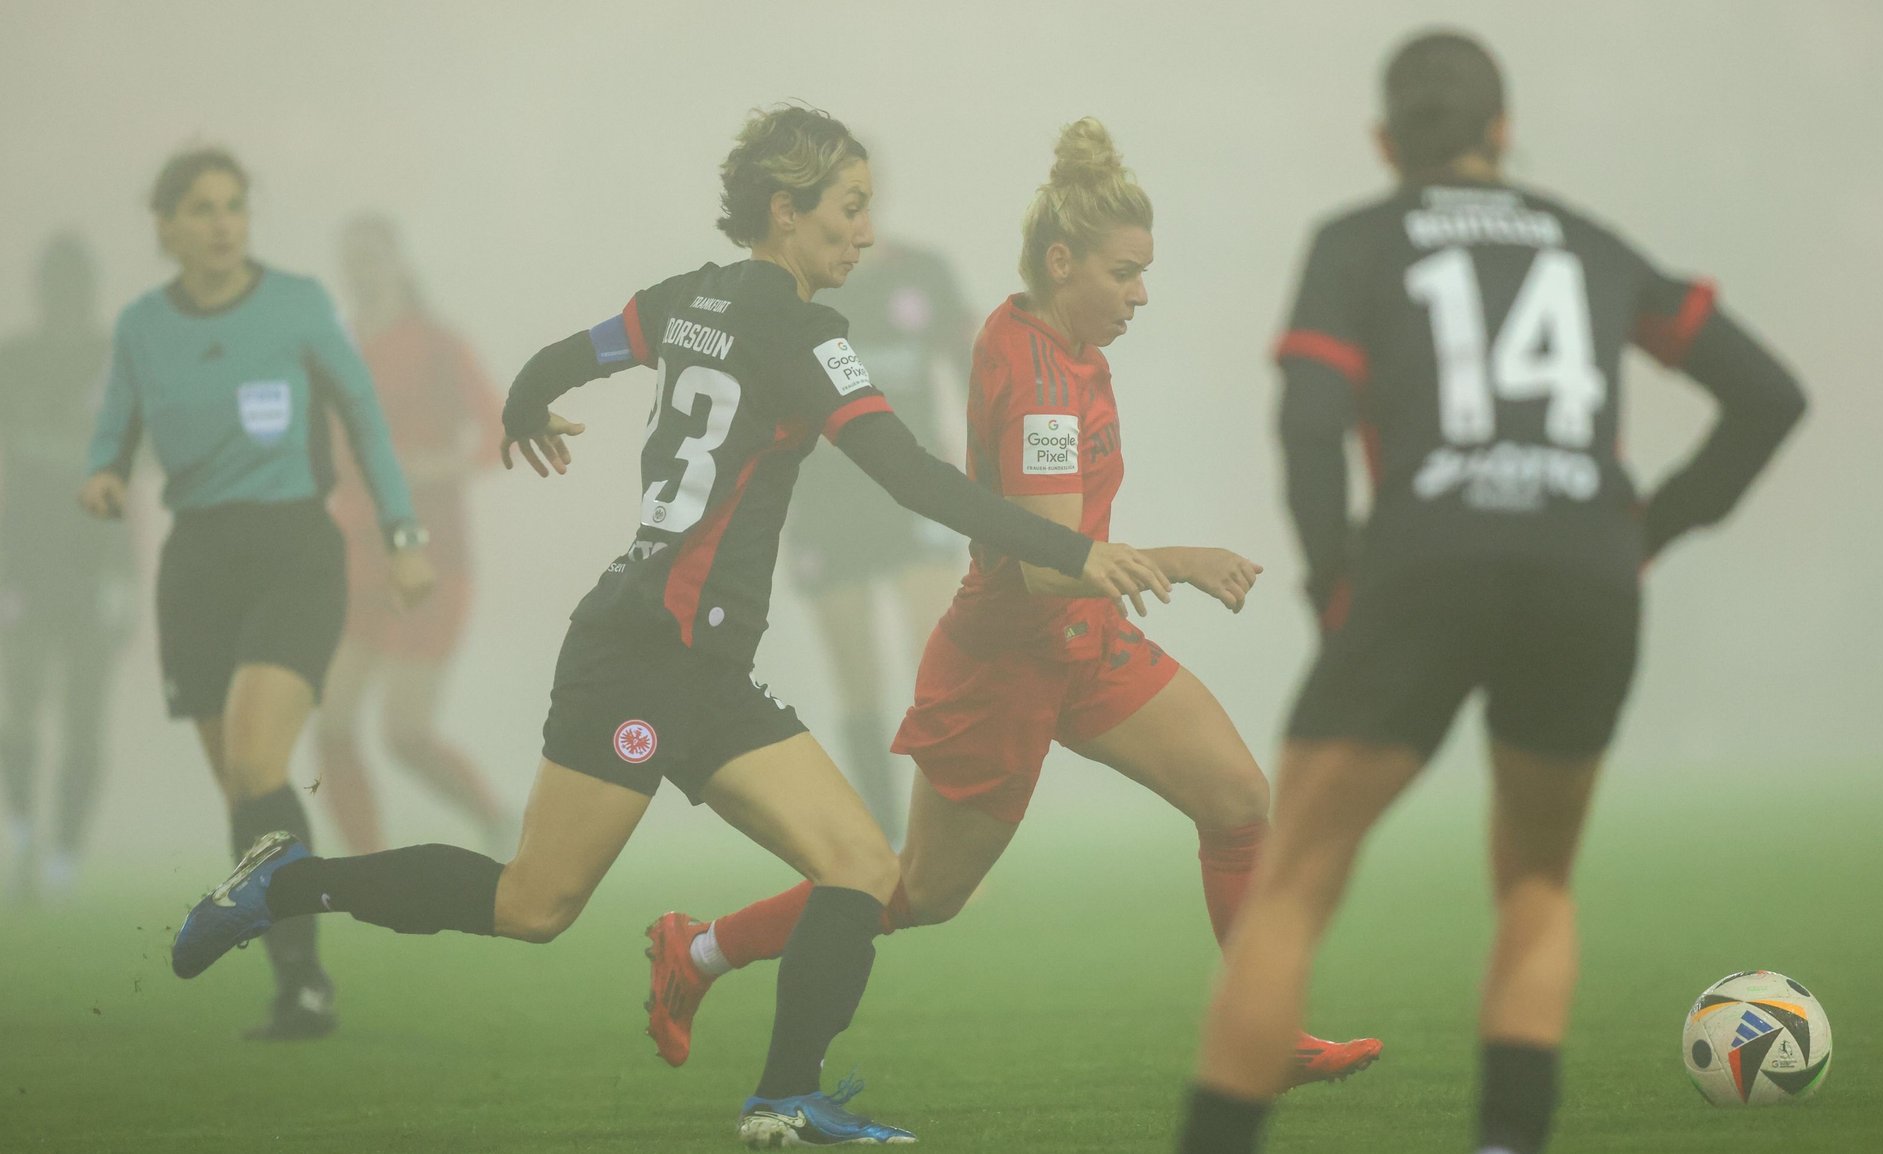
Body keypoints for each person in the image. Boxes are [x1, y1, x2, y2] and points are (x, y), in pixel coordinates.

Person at [168, 106, 1169, 1148]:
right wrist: (1073, 550)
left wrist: (523, 409)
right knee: (532, 904)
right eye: (848, 208)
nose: (865, 234)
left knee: (862, 868)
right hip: (642, 664)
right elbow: (908, 474)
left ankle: (784, 1096)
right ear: (786, 211)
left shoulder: (679, 300)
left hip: (702, 664)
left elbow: (560, 360)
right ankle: (288, 881)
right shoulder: (805, 335)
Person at [642, 119, 1381, 1090]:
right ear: (1062, 259)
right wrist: (1181, 559)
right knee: (913, 891)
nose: (1140, 294)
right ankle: (696, 951)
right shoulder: (1034, 375)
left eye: (1143, 272)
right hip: (1003, 663)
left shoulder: (1060, 341)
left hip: (1086, 645)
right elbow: (1043, 566)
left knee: (1238, 799)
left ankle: (1259, 1029)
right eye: (1124, 273)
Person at [1177, 31, 1807, 1154]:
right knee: (1534, 884)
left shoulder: (1356, 242)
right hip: (1582, 576)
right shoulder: (1589, 242)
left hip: (1421, 564)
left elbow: (1309, 420)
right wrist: (1641, 530)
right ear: (1502, 130)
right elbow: (1765, 394)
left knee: (1294, 890)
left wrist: (1332, 582)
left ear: (1382, 142)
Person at [82, 147, 433, 1040]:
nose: (221, 223)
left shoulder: (298, 305)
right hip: (197, 560)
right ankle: (298, 981)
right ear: (165, 227)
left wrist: (402, 535)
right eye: (200, 208)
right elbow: (113, 429)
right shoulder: (140, 326)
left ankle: (309, 986)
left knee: (256, 758)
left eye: (233, 206)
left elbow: (364, 417)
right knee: (242, 789)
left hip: (294, 550)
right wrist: (104, 478)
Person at [317, 214, 513, 856]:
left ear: (398, 262)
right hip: (356, 559)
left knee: (403, 733)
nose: (361, 267)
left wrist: (433, 466)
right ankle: (365, 870)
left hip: (430, 558)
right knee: (334, 725)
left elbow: (497, 433)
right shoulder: (334, 350)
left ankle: (494, 817)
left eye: (371, 253)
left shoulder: (435, 344)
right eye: (351, 256)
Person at [788, 233, 975, 845]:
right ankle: (886, 847)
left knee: (937, 663)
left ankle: (939, 842)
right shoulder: (792, 283)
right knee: (857, 679)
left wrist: (995, 465)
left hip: (915, 489)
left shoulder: (923, 272)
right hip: (824, 500)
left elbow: (976, 369)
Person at [0, 234, 137, 901]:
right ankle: (22, 832)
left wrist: (126, 576)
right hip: (22, 564)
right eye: (54, 283)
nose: (63, 296)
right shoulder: (12, 361)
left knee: (86, 715)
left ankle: (64, 858)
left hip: (94, 567)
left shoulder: (113, 365)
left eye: (73, 284)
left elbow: (131, 476)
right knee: (20, 703)